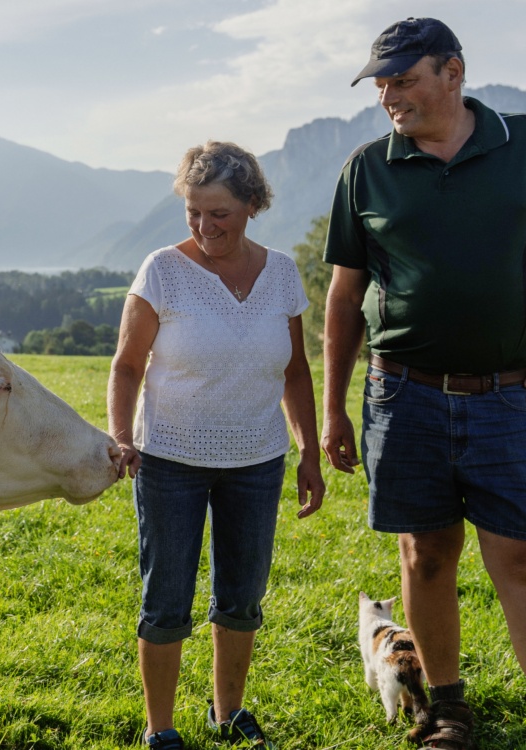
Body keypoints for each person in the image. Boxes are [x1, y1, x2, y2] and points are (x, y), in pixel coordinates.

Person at [321, 17, 526, 750]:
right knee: (425, 555)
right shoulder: (367, 168)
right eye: (381, 83)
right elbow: (344, 297)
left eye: (403, 80)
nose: (389, 96)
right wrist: (333, 410)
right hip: (399, 393)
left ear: (453, 72)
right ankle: (445, 714)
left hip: (506, 395)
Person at [109, 141, 326, 750]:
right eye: (193, 213)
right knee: (166, 599)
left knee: (242, 598)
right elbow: (127, 366)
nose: (205, 228)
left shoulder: (281, 273)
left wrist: (308, 451)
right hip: (170, 460)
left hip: (257, 462)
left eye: (220, 214)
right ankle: (160, 730)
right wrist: (123, 439)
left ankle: (228, 713)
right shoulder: (162, 270)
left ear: (253, 204)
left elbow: (295, 372)